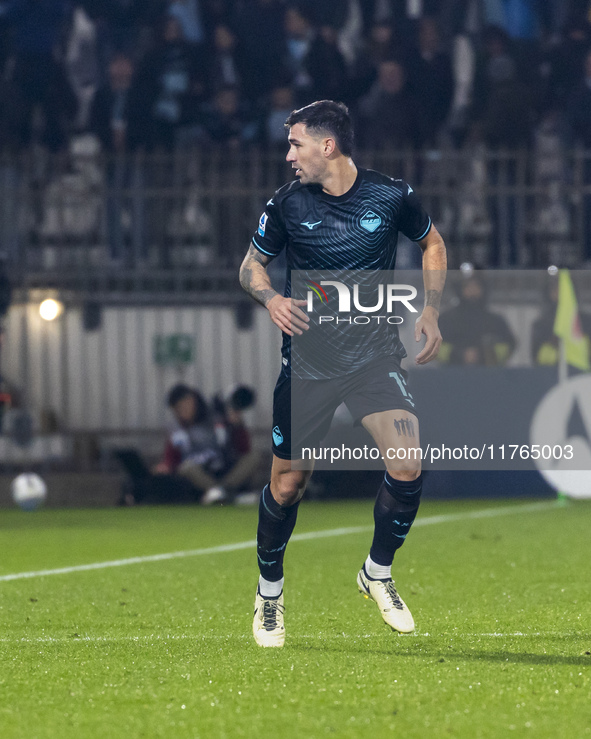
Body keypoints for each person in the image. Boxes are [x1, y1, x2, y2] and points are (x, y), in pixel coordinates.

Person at [239, 100, 447, 648]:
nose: (289, 156)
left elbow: (432, 242)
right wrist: (269, 299)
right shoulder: (286, 204)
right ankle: (269, 596)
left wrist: (431, 309)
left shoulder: (391, 194)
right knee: (287, 485)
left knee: (407, 463)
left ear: (327, 146)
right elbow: (250, 265)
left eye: (296, 144)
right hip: (308, 365)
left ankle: (377, 573)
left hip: (373, 357)